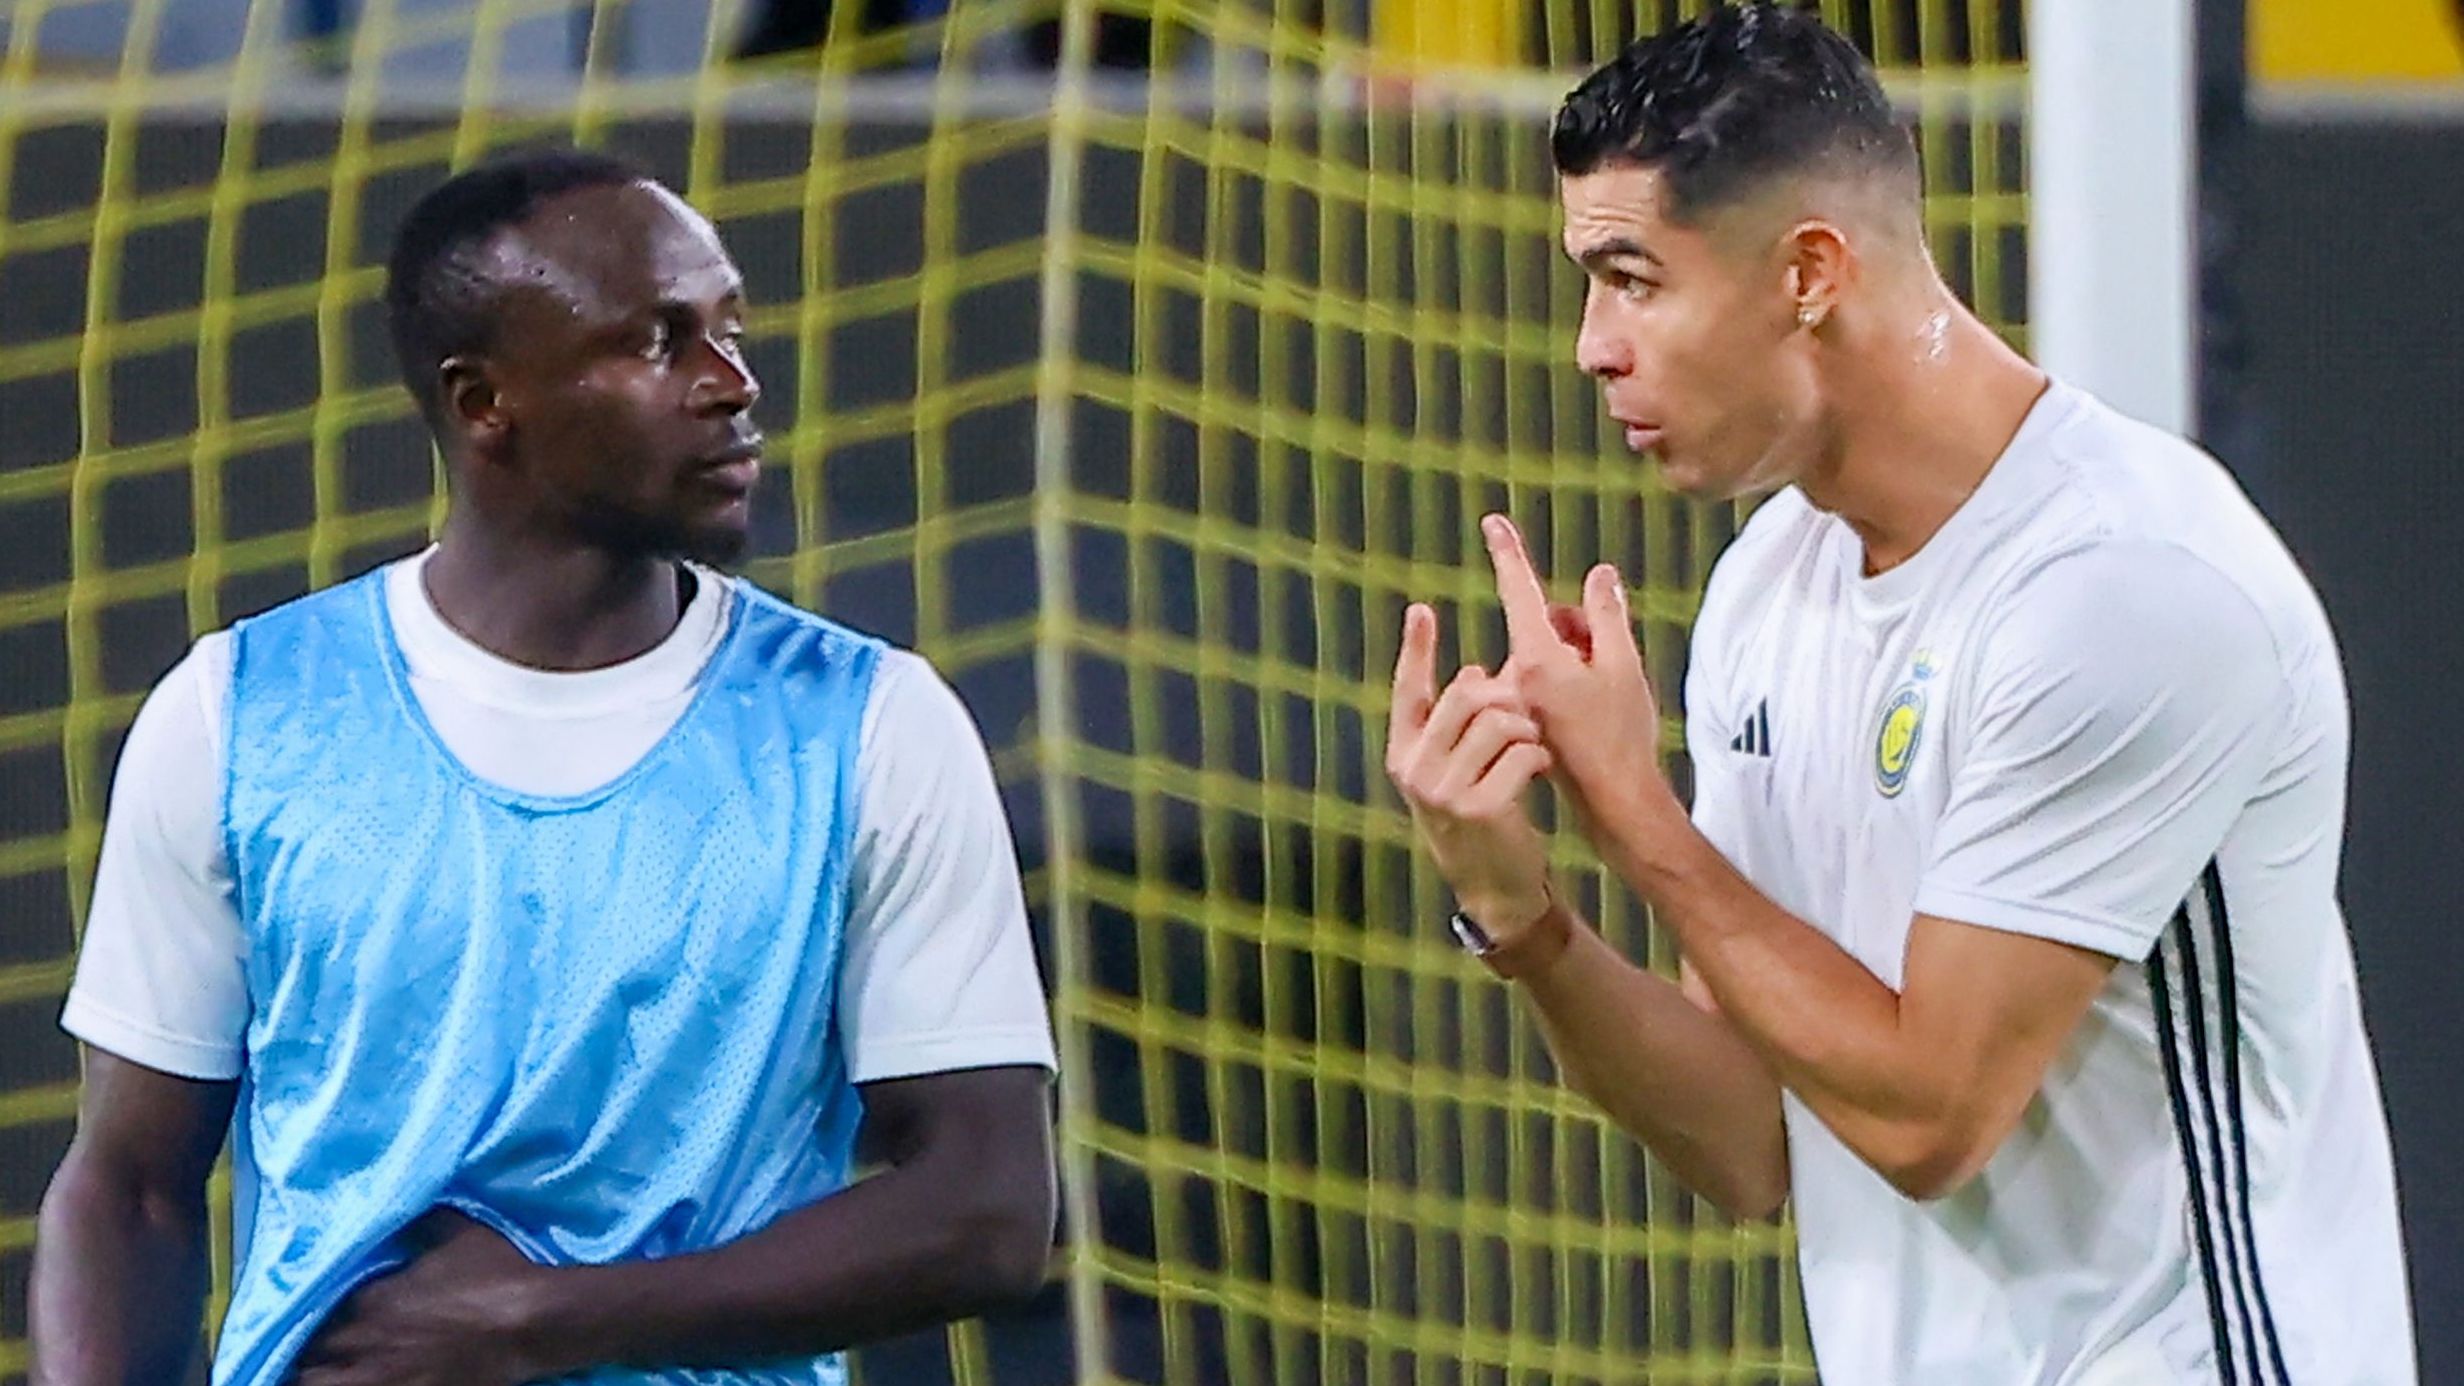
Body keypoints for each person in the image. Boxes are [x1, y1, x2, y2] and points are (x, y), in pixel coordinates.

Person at [1384, 6, 2415, 1382]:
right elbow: (1755, 1137)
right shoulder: (1769, 585)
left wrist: (1634, 810)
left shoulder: (2124, 589)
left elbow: (1931, 1114)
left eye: (1632, 278)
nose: (1592, 345)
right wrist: (1526, 919)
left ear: (1810, 270)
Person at [29, 148, 1059, 1385]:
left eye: (731, 330)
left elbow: (987, 1209)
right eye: (658, 342)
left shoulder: (875, 726)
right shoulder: (239, 716)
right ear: (482, 403)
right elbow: (128, 1189)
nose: (732, 385)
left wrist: (538, 1322)